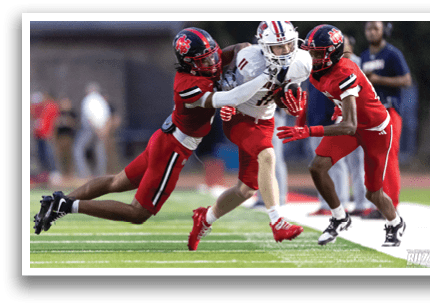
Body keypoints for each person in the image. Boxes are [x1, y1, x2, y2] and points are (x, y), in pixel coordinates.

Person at [33, 27, 273, 235]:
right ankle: (66, 206)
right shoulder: (188, 84)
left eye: (213, 56)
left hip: (164, 138)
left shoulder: (209, 59)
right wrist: (268, 76)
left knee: (116, 182)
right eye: (205, 60)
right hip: (174, 148)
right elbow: (231, 97)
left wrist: (261, 54)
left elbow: (243, 46)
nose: (213, 63)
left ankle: (61, 202)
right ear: (189, 62)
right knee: (138, 213)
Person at [276, 24, 406, 247]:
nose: (311, 57)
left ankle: (395, 223)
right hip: (352, 122)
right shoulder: (314, 68)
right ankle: (339, 217)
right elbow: (284, 79)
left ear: (332, 53)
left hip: (375, 129)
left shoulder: (345, 72)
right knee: (317, 167)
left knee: (373, 194)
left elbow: (349, 126)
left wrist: (307, 130)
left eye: (317, 53)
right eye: (310, 51)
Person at [188, 21, 311, 250]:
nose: (285, 51)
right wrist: (259, 81)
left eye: (288, 45)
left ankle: (204, 219)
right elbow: (232, 94)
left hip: (265, 120)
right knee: (268, 155)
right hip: (239, 118)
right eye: (278, 47)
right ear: (264, 47)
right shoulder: (250, 61)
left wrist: (287, 102)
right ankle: (277, 221)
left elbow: (277, 95)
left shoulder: (302, 61)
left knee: (245, 190)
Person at [360, 21, 412, 217]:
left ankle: (392, 205)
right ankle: (379, 204)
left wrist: (379, 80)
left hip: (389, 110)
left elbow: (407, 80)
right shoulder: (364, 56)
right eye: (369, 28)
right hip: (371, 114)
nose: (372, 32)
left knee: (389, 156)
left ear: (384, 31)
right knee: (374, 159)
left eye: (376, 28)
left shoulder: (392, 53)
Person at [73, 82, 111, 179]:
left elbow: (89, 117)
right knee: (99, 150)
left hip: (90, 128)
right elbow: (107, 117)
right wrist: (104, 131)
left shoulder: (88, 99)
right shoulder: (101, 100)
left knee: (78, 149)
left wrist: (97, 130)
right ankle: (101, 174)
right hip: (101, 128)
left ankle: (84, 174)